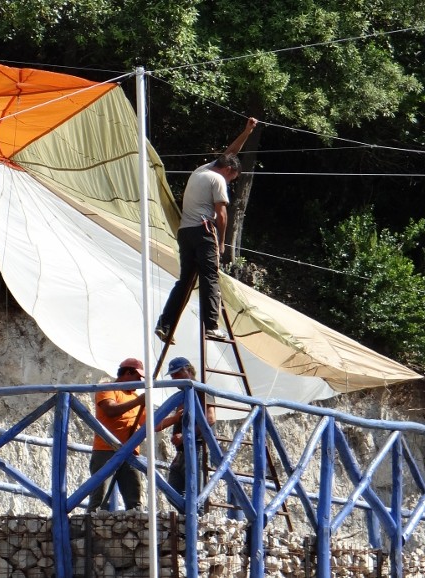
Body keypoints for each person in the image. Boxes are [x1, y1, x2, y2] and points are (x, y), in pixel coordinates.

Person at [157, 118, 259, 343]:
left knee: (184, 282)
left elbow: (230, 153)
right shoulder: (218, 179)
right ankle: (212, 326)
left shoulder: (201, 171)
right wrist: (221, 243)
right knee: (210, 277)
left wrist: (246, 132)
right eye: (232, 178)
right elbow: (221, 215)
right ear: (228, 170)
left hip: (185, 233)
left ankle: (165, 324)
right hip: (204, 232)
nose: (230, 182)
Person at [87, 357, 148, 511]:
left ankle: (135, 524)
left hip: (129, 452)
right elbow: (110, 410)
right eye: (138, 377)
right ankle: (90, 523)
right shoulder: (108, 388)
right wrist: (138, 402)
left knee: (134, 500)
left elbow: (151, 424)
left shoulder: (135, 398)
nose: (140, 382)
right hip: (105, 450)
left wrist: (175, 418)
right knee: (99, 497)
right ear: (128, 373)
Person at [156, 357, 216, 499]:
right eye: (172, 375)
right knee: (173, 491)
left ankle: (193, 513)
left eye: (177, 374)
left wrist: (184, 436)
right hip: (182, 451)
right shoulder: (183, 394)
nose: (174, 378)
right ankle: (185, 513)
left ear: (188, 370)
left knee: (195, 494)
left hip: (197, 447)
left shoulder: (201, 390)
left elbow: (210, 418)